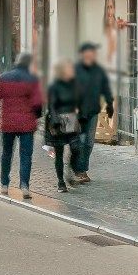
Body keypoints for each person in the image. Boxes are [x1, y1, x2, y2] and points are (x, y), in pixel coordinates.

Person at [0, 53, 45, 197]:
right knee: (26, 155)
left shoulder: (3, 78)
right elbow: (38, 103)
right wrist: (36, 116)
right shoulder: (33, 79)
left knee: (6, 154)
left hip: (8, 124)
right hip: (27, 124)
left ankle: (4, 184)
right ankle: (24, 185)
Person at [69, 42, 113, 185]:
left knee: (88, 142)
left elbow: (105, 87)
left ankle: (82, 169)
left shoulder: (98, 71)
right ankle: (77, 170)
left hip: (93, 110)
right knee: (78, 142)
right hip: (77, 112)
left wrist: (109, 103)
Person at [42, 59, 86, 195]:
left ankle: (70, 171)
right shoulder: (54, 86)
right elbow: (52, 105)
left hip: (72, 120)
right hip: (59, 122)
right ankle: (61, 182)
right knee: (59, 154)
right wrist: (55, 121)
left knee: (76, 148)